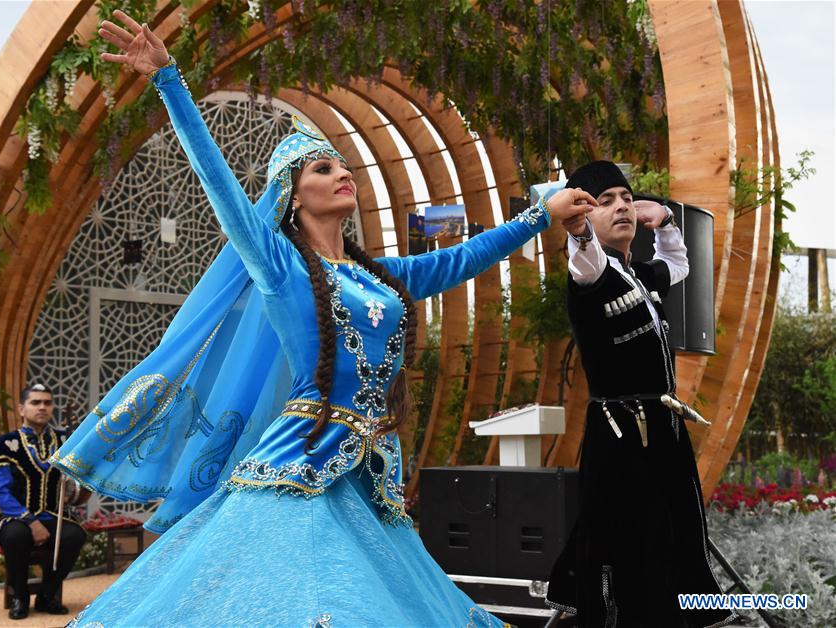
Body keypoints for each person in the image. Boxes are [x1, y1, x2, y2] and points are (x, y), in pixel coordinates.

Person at [50, 10, 594, 626]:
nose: (344, 174)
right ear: (291, 192)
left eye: (344, 166)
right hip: (297, 468)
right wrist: (170, 80)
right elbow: (219, 183)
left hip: (367, 476)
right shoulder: (279, 265)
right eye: (323, 168)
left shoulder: (383, 274)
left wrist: (538, 215)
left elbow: (464, 257)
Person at [544, 161, 735, 627]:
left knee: (678, 528)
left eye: (626, 199)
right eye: (605, 201)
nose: (622, 207)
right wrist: (578, 232)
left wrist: (666, 221)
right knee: (635, 538)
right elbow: (583, 256)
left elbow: (678, 265)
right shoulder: (590, 272)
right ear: (583, 215)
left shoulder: (639, 274)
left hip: (662, 428)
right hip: (622, 433)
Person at [0, 384, 90, 620]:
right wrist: (31, 521)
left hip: (54, 515)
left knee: (75, 535)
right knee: (16, 536)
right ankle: (19, 597)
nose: (42, 407)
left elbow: (80, 477)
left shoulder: (66, 441)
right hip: (16, 517)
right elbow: (0, 492)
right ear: (22, 408)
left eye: (47, 402)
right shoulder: (5, 444)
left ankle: (47, 595)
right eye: (35, 402)